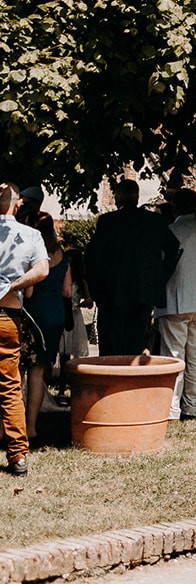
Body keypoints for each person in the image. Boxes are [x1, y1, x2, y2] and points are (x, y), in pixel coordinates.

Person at [84, 178, 182, 355]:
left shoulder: (108, 221)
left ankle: (112, 379)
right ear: (136, 198)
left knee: (111, 346)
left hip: (113, 291)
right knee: (135, 343)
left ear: (117, 197)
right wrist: (160, 277)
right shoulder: (154, 221)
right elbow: (174, 250)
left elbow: (93, 258)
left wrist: (95, 288)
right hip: (143, 291)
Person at [156, 188, 196, 421]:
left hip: (175, 299)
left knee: (174, 355)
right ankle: (191, 405)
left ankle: (172, 407)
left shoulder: (170, 231)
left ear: (174, 207)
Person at [0, 183, 48, 476]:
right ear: (17, 205)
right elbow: (42, 269)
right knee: (9, 386)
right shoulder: (30, 235)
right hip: (9, 314)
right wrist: (15, 284)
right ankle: (17, 454)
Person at [22, 214, 71, 442]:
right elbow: (68, 291)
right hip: (55, 315)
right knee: (39, 372)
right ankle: (31, 426)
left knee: (18, 370)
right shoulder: (63, 256)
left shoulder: (33, 254)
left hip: (33, 314)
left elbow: (29, 292)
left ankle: (8, 423)